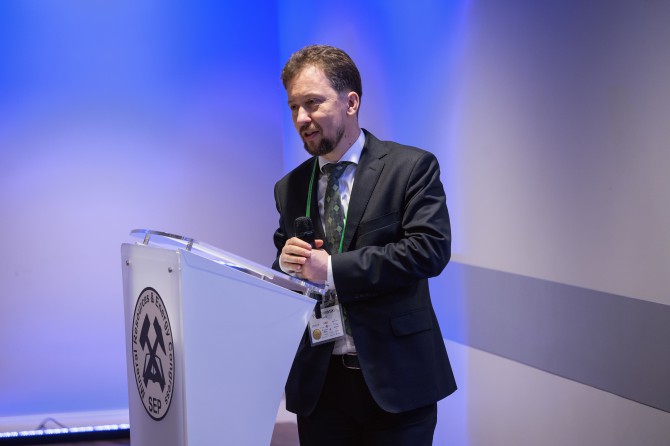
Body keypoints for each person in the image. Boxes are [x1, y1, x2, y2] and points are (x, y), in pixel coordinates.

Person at [272, 44, 456, 446]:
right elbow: (289, 272)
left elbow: (429, 250)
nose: (301, 118)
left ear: (351, 102)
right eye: (294, 107)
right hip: (321, 387)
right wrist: (285, 264)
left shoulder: (410, 168)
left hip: (397, 383)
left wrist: (332, 270)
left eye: (313, 103)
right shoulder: (290, 187)